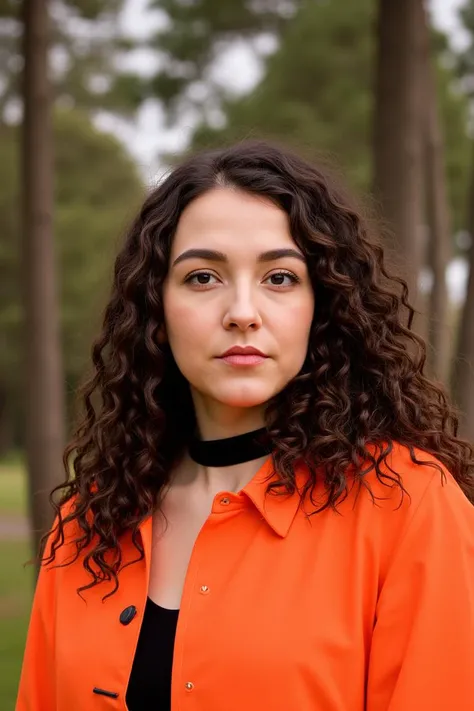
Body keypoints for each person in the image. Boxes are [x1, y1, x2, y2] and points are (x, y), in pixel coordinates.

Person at [16, 139, 474, 711]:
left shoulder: (408, 505)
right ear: (156, 310)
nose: (241, 312)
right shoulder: (87, 523)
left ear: (322, 304)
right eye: (202, 277)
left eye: (279, 278)